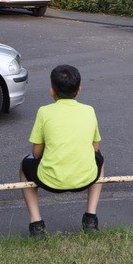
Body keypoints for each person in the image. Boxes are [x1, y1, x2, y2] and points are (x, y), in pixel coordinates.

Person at [19, 64, 104, 238]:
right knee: (100, 162)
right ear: (79, 90)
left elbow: (36, 153)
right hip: (85, 178)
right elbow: (95, 148)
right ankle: (90, 217)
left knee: (24, 166)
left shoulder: (44, 112)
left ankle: (36, 223)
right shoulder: (89, 111)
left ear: (52, 91)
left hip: (50, 181)